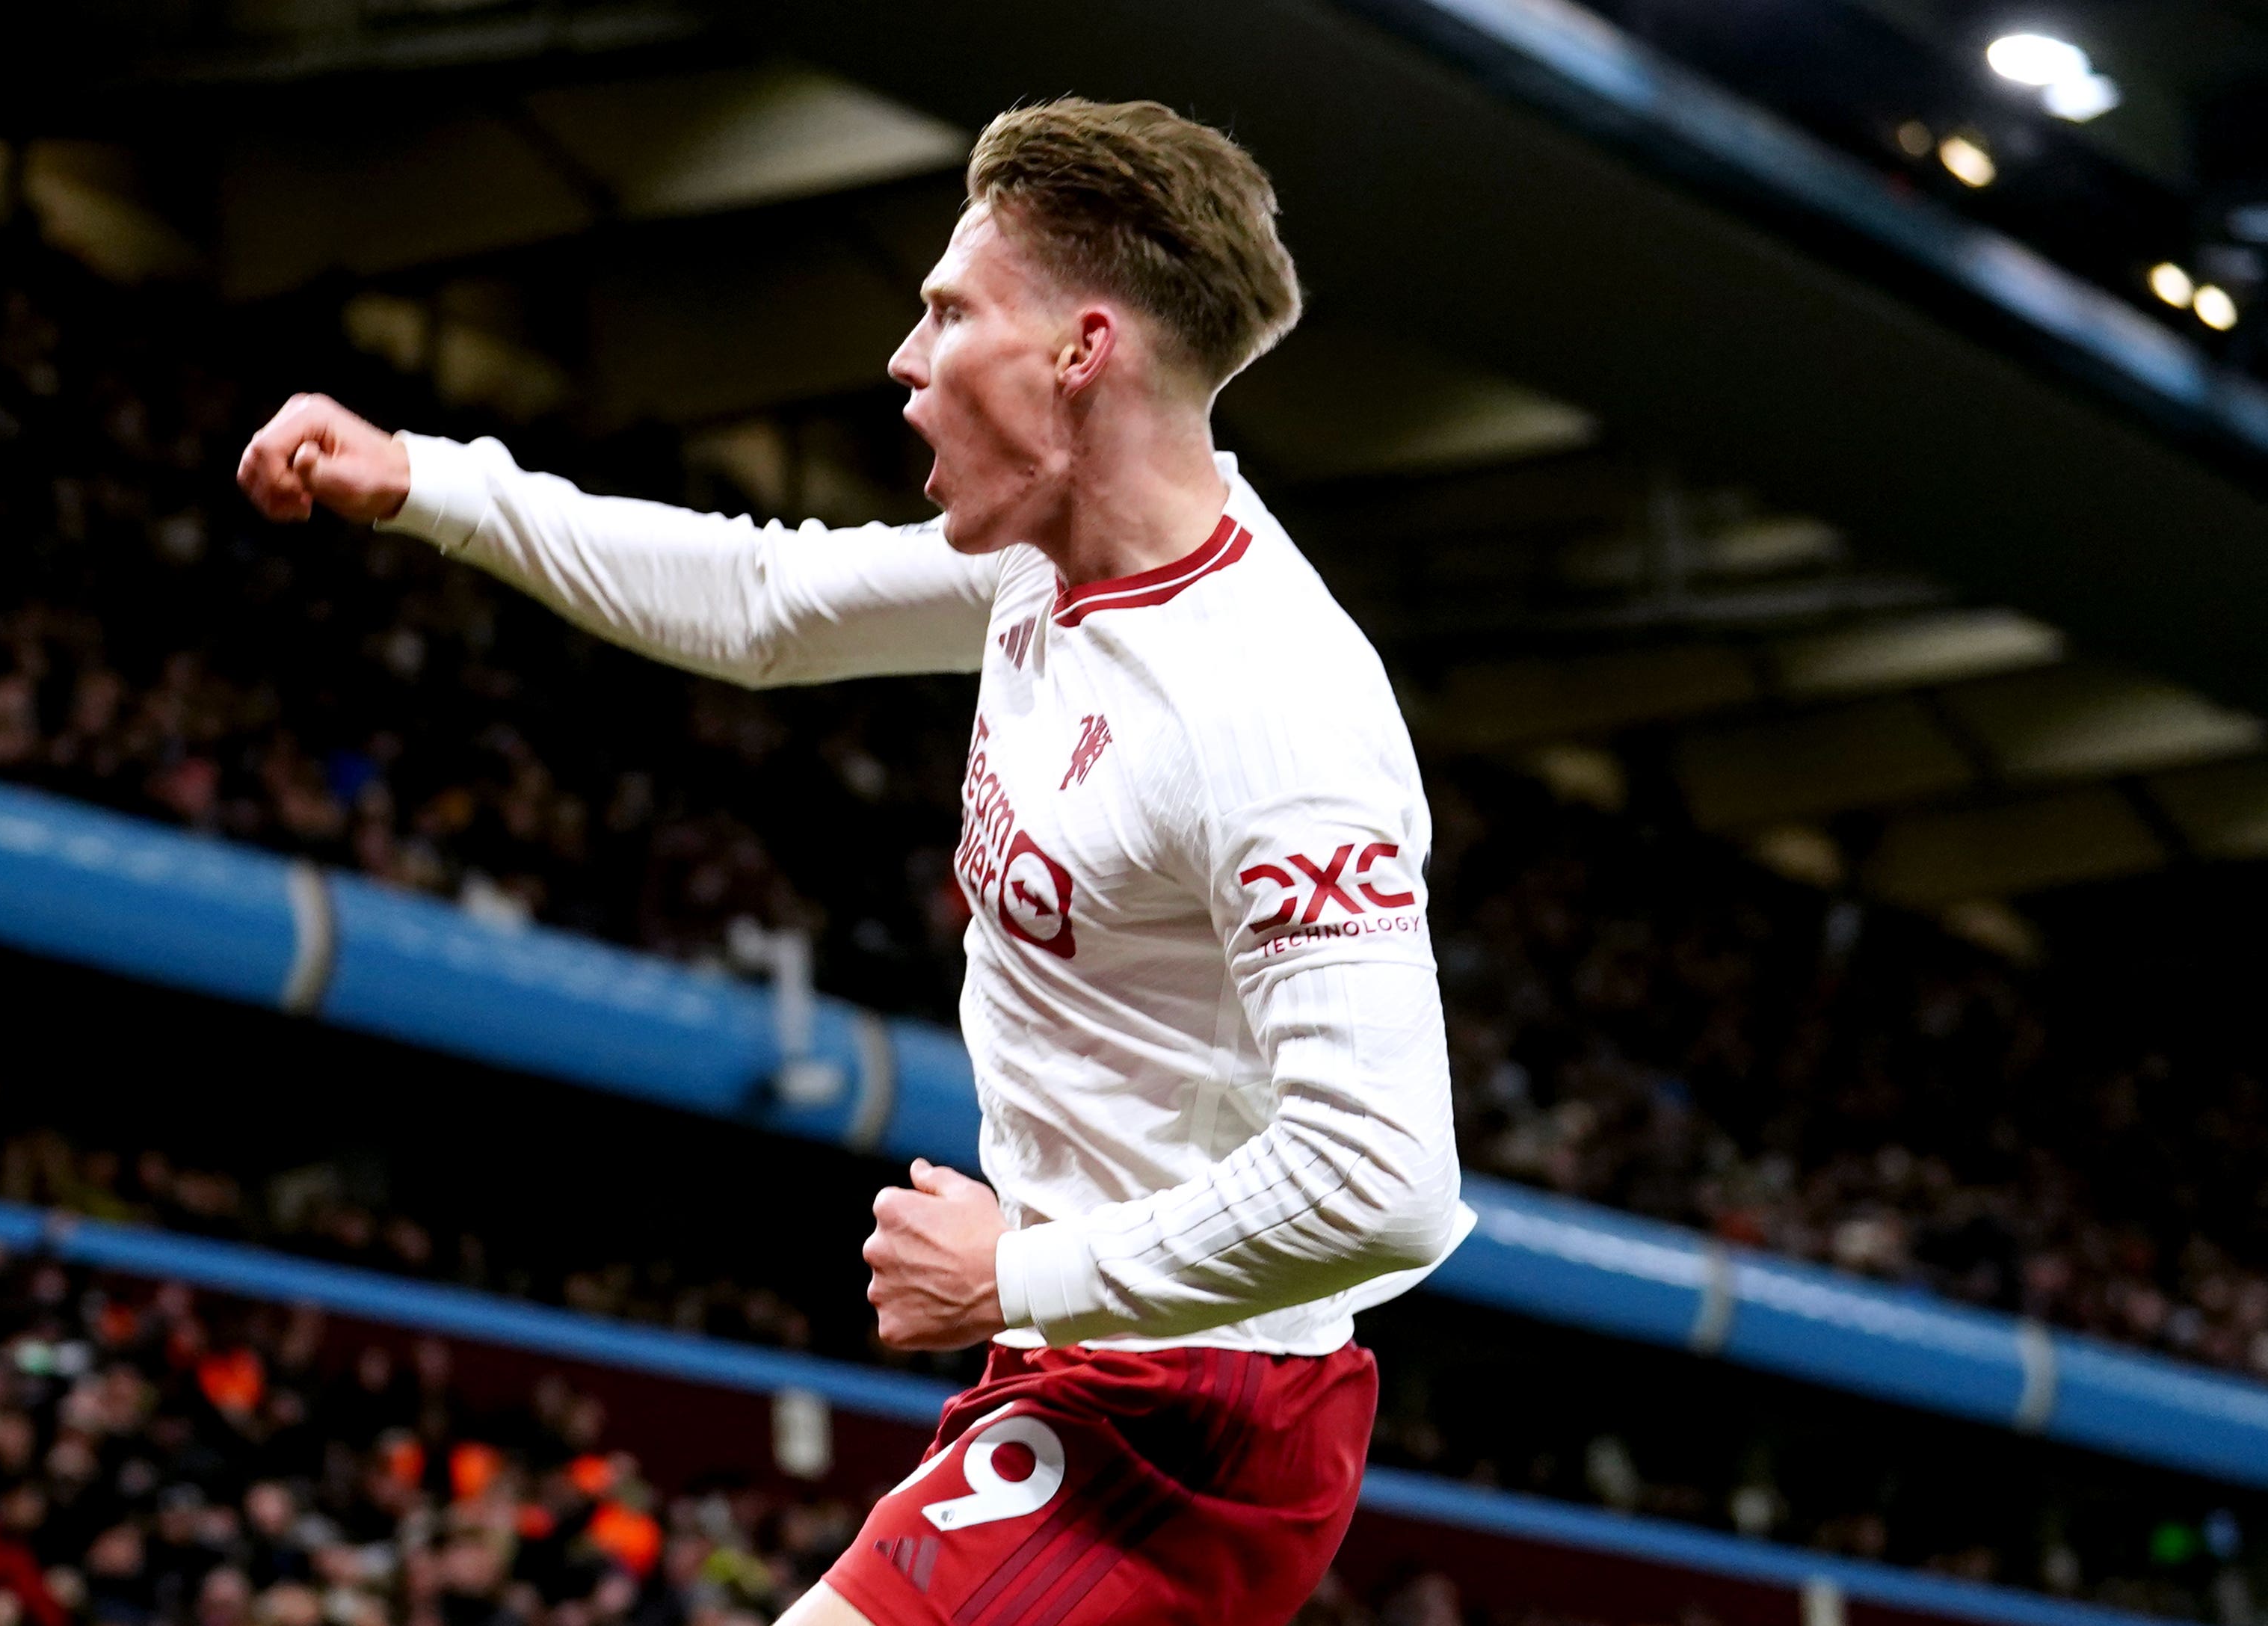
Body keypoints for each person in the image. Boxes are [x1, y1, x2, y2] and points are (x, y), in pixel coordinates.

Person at [237, 96, 1470, 1626]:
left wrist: (1018, 1271)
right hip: (1089, 1356)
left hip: (1198, 1415)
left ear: (1080, 352)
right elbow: (766, 599)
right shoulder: (1047, 565)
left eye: (948, 309)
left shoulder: (1271, 711)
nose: (903, 354)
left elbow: (1388, 1180)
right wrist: (427, 480)